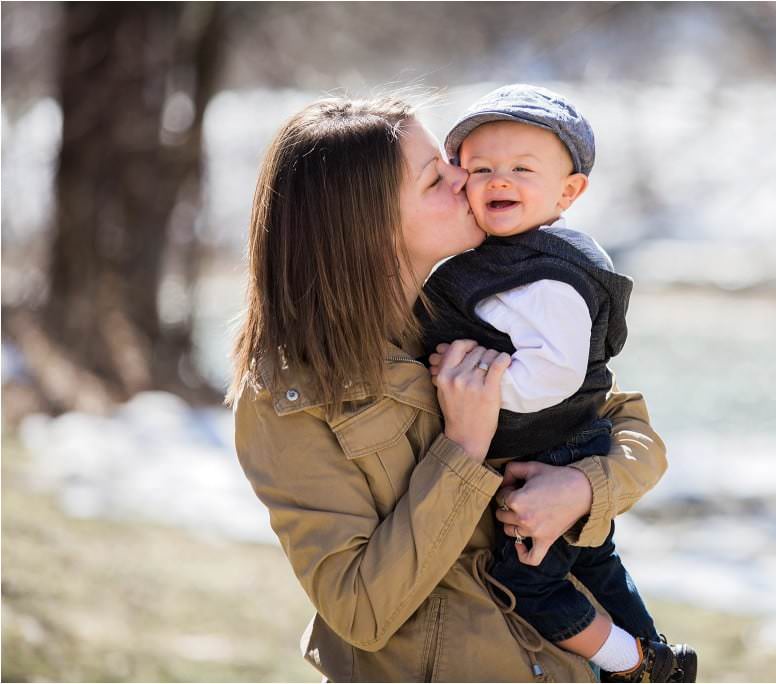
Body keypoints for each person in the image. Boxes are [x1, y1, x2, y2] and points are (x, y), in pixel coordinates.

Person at [227, 95, 670, 682]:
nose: (469, 178)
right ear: (368, 222)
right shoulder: (288, 399)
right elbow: (360, 610)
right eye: (437, 176)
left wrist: (582, 487)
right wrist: (461, 446)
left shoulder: (469, 310)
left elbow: (625, 423)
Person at [417, 84, 696, 683]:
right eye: (481, 167)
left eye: (522, 169)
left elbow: (555, 374)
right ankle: (659, 658)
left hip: (558, 448)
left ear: (568, 192)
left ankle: (632, 661)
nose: (499, 180)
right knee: (597, 564)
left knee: (528, 579)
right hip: (563, 445)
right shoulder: (510, 259)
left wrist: (476, 391)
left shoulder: (545, 275)